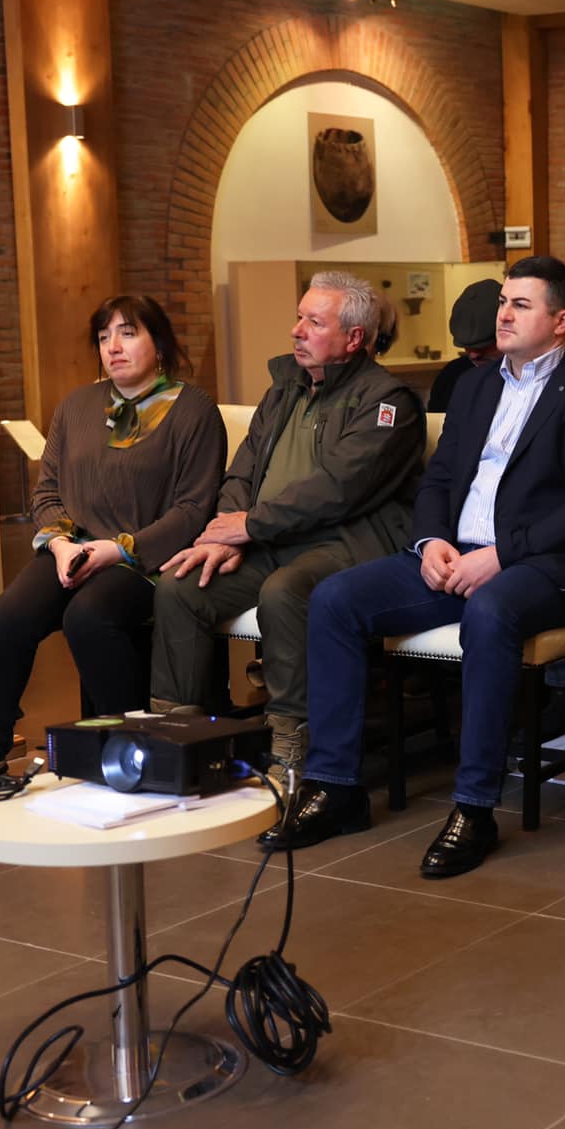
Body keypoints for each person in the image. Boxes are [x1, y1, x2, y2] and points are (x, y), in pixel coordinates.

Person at [260, 258, 565, 874]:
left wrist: (500, 555)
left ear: (562, 321)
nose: (504, 314)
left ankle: (474, 807)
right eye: (504, 302)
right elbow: (438, 480)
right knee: (334, 599)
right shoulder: (476, 385)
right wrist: (431, 541)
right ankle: (336, 788)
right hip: (455, 555)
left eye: (521, 305)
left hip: (546, 566)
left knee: (489, 612)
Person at [149, 272, 425, 780]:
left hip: (349, 544)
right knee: (180, 587)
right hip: (272, 539)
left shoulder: (389, 402)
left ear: (354, 338)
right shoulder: (285, 390)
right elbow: (242, 471)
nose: (296, 330)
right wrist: (224, 534)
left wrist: (250, 526)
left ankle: (290, 743)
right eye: (299, 317)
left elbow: (338, 489)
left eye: (314, 322)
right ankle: (181, 741)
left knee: (285, 591)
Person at [0, 298, 226, 799]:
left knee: (89, 617)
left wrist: (119, 550)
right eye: (104, 337)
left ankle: (129, 749)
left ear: (159, 342)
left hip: (146, 561)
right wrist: (59, 544)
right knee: (10, 616)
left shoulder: (195, 411)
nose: (113, 347)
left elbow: (193, 509)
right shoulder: (76, 406)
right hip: (72, 550)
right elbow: (47, 491)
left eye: (128, 333)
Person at [426, 278, 501, 415]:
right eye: (467, 347)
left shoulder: (530, 377)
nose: (473, 355)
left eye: (483, 346)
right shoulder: (451, 377)